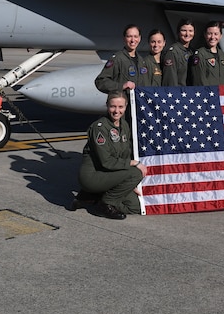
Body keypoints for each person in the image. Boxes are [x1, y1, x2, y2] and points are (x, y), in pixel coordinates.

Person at [69, 91, 146, 220]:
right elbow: (106, 162)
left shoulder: (124, 126)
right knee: (135, 173)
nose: (116, 111)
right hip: (94, 176)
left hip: (110, 174)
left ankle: (92, 197)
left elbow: (124, 154)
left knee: (134, 206)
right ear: (107, 106)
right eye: (113, 106)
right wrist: (133, 163)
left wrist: (128, 185)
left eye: (120, 107)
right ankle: (105, 204)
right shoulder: (99, 128)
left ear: (126, 107)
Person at [94, 24, 154, 95]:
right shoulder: (117, 59)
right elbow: (100, 81)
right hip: (122, 103)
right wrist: (121, 86)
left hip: (138, 103)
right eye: (129, 36)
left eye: (135, 36)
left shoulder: (141, 61)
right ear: (124, 38)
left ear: (140, 38)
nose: (133, 40)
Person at [188, 21, 224, 86]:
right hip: (207, 94)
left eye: (216, 34)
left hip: (220, 94)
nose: (212, 37)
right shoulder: (200, 55)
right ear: (205, 35)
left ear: (220, 36)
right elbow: (198, 81)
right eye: (209, 34)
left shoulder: (222, 55)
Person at [161, 18, 195, 86]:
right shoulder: (173, 52)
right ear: (178, 32)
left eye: (190, 31)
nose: (187, 34)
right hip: (179, 93)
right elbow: (170, 80)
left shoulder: (192, 52)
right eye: (184, 30)